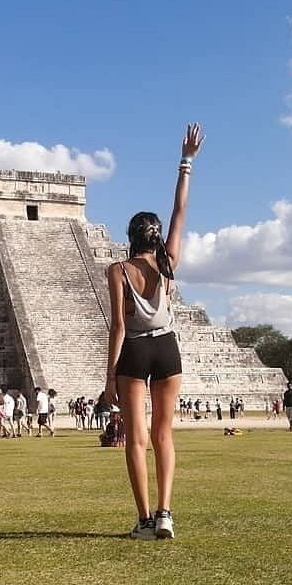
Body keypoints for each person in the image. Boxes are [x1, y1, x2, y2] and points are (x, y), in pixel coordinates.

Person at [104, 122, 203, 540]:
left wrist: (109, 376)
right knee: (164, 433)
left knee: (135, 438)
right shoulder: (168, 263)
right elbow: (181, 211)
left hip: (135, 352)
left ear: (130, 237)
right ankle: (166, 512)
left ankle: (144, 521)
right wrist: (186, 162)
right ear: (157, 235)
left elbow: (119, 325)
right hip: (168, 349)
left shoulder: (118, 270)